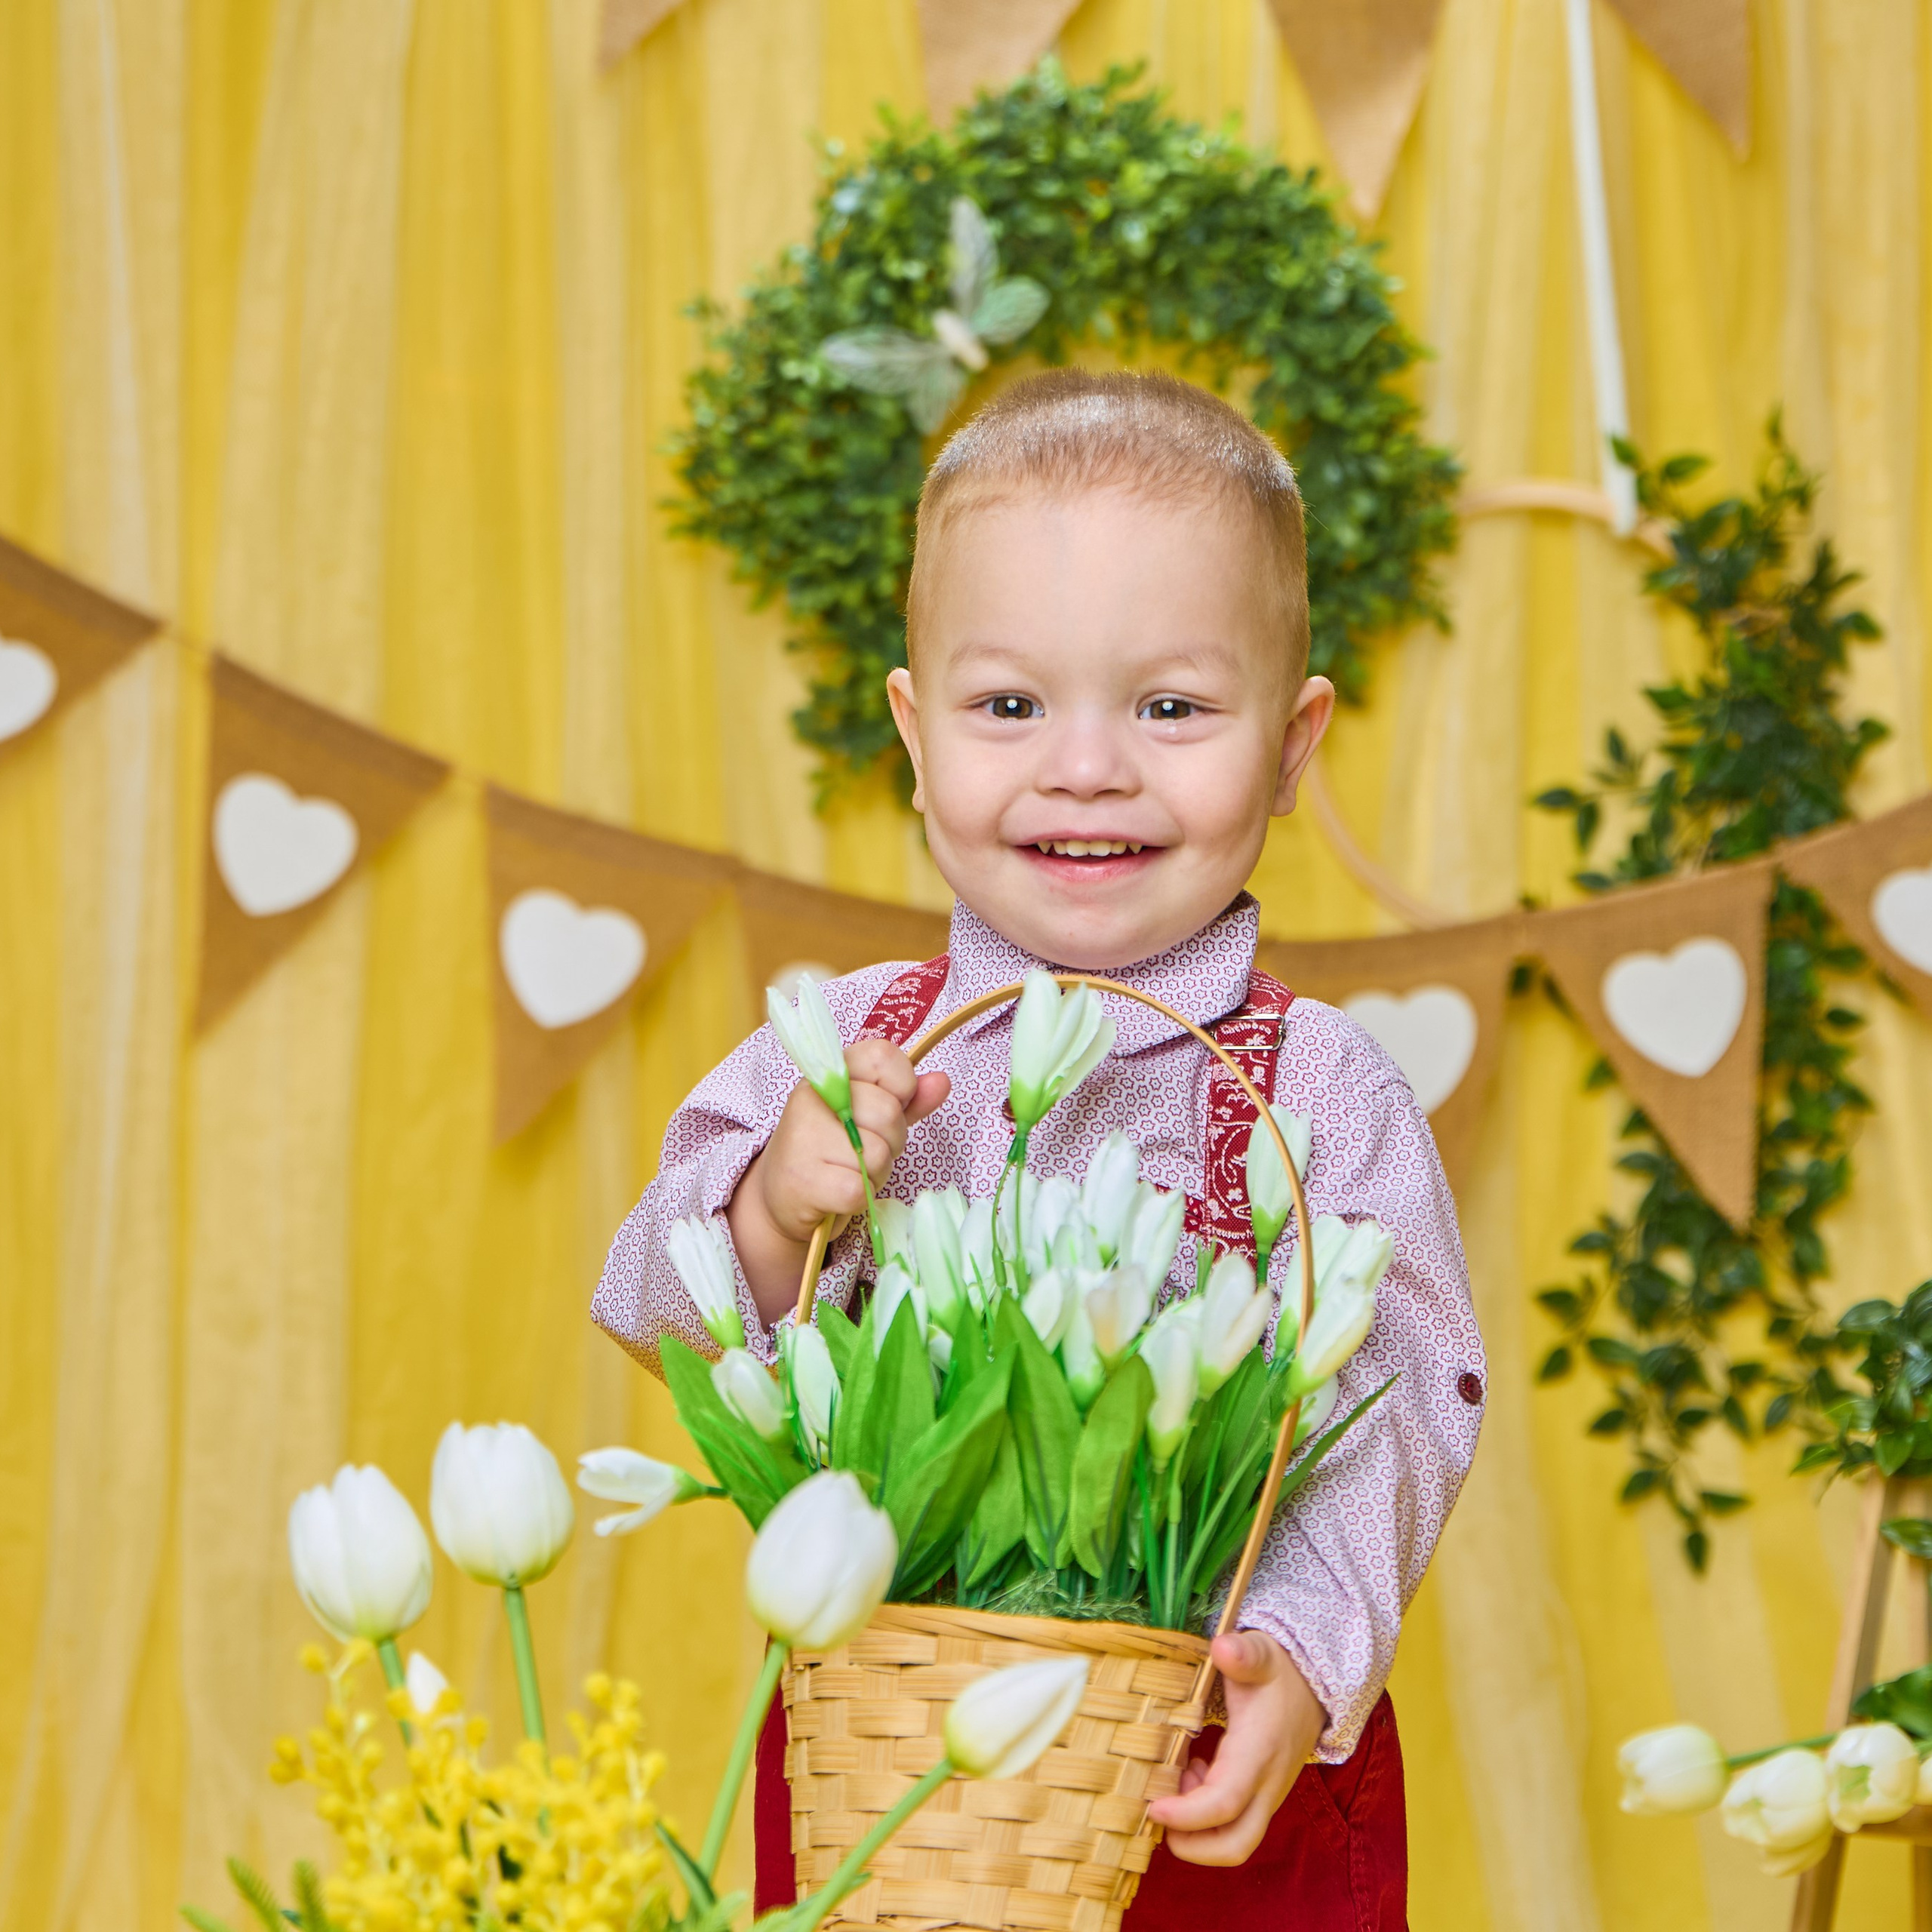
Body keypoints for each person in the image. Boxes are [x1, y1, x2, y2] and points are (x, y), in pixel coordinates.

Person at [593, 369, 1484, 1927]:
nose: (1087, 766)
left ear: (1289, 743)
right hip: (908, 1760)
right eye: (1009, 705)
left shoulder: (1317, 1089)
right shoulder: (850, 1045)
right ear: (914, 733)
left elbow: (1397, 1396)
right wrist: (770, 1203)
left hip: (1212, 1744)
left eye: (1170, 706)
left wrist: (1297, 1644)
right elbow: (662, 1312)